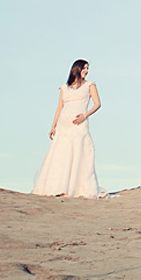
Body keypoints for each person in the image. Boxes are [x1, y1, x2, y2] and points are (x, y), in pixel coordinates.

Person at [31, 59, 104, 198]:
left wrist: (85, 115)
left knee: (80, 151)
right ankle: (58, 186)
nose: (86, 71)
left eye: (87, 68)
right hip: (64, 125)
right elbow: (60, 107)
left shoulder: (90, 85)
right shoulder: (64, 87)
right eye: (84, 68)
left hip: (79, 124)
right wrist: (53, 126)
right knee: (61, 154)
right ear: (76, 69)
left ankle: (76, 187)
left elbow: (97, 104)